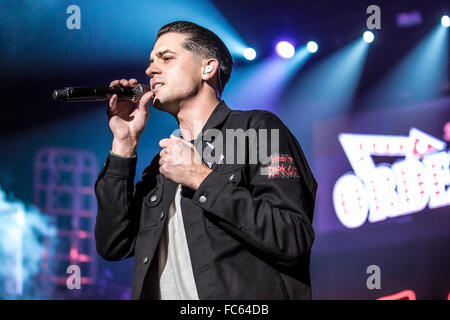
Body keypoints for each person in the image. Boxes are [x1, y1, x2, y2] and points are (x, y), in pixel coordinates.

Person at [94, 21, 317, 300]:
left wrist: (201, 178)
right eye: (151, 62)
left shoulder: (256, 129)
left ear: (207, 68)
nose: (150, 70)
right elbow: (113, 244)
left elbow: (292, 237)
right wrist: (124, 144)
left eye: (166, 58)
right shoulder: (164, 163)